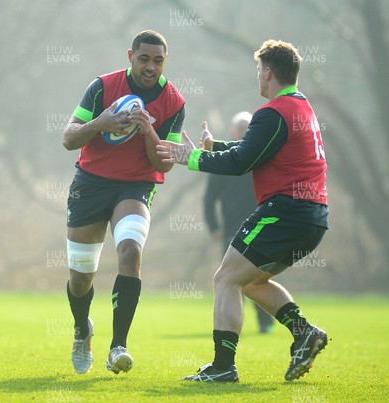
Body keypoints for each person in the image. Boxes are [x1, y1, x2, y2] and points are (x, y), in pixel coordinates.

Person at [157, 39, 328, 382]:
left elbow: (240, 162)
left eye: (258, 71)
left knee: (225, 278)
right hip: (313, 217)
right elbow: (257, 149)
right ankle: (305, 332)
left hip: (285, 211)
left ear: (267, 72)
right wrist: (214, 146)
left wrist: (189, 157)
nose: (258, 78)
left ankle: (223, 367)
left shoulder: (272, 112)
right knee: (250, 281)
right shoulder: (301, 108)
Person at [62, 30, 185, 375]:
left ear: (165, 61)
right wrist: (100, 122)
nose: (150, 67)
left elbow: (164, 163)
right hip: (90, 185)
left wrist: (149, 132)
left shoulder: (174, 101)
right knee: (80, 279)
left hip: (135, 186)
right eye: (144, 58)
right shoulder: (102, 87)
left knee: (130, 251)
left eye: (158, 60)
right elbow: (68, 138)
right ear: (130, 56)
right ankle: (81, 328)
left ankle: (118, 346)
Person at [202, 111, 275, 334]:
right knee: (230, 278)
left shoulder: (262, 158)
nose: (244, 133)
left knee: (258, 277)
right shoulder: (225, 161)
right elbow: (209, 198)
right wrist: (214, 227)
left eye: (248, 128)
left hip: (262, 227)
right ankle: (231, 326)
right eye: (240, 128)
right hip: (232, 231)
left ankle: (265, 323)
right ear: (233, 131)